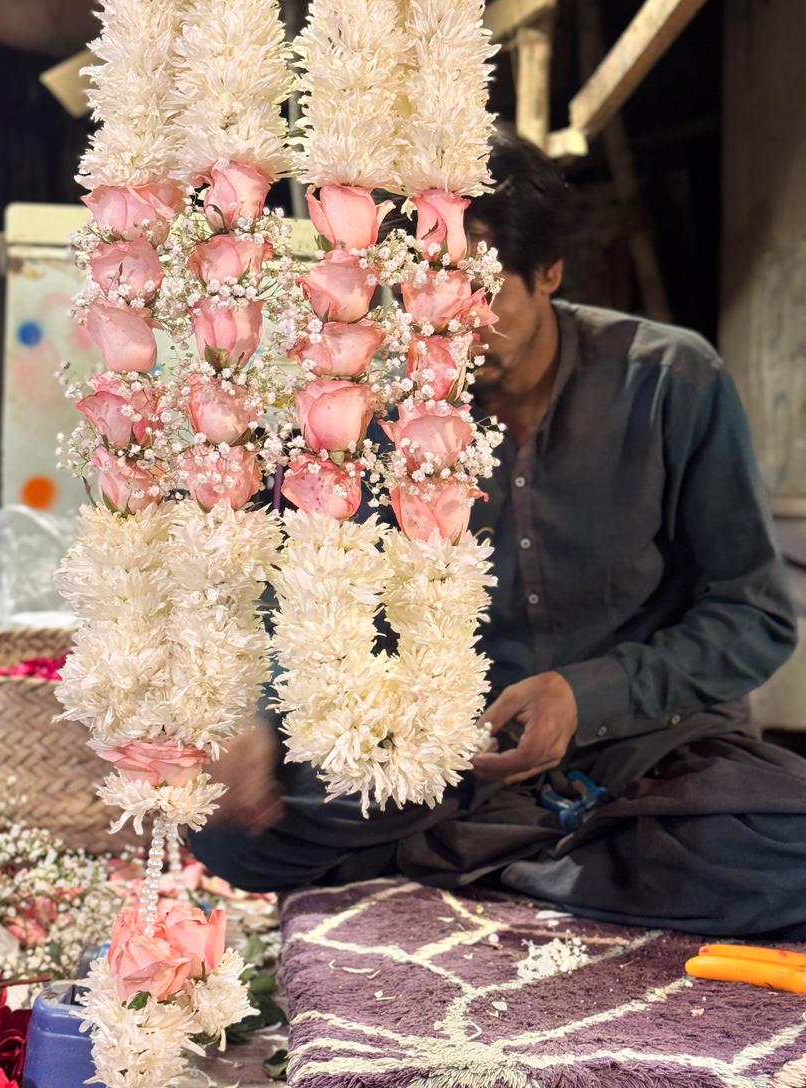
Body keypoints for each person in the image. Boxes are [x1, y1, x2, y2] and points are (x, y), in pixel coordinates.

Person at [189, 125, 806, 940]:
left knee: (785, 846)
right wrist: (260, 722)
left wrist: (587, 696)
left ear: (549, 271)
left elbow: (754, 619)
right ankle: (548, 855)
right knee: (225, 829)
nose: (445, 326)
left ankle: (497, 858)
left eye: (475, 290)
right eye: (420, 293)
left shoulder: (668, 381)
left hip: (641, 754)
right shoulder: (365, 407)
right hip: (443, 764)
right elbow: (302, 609)